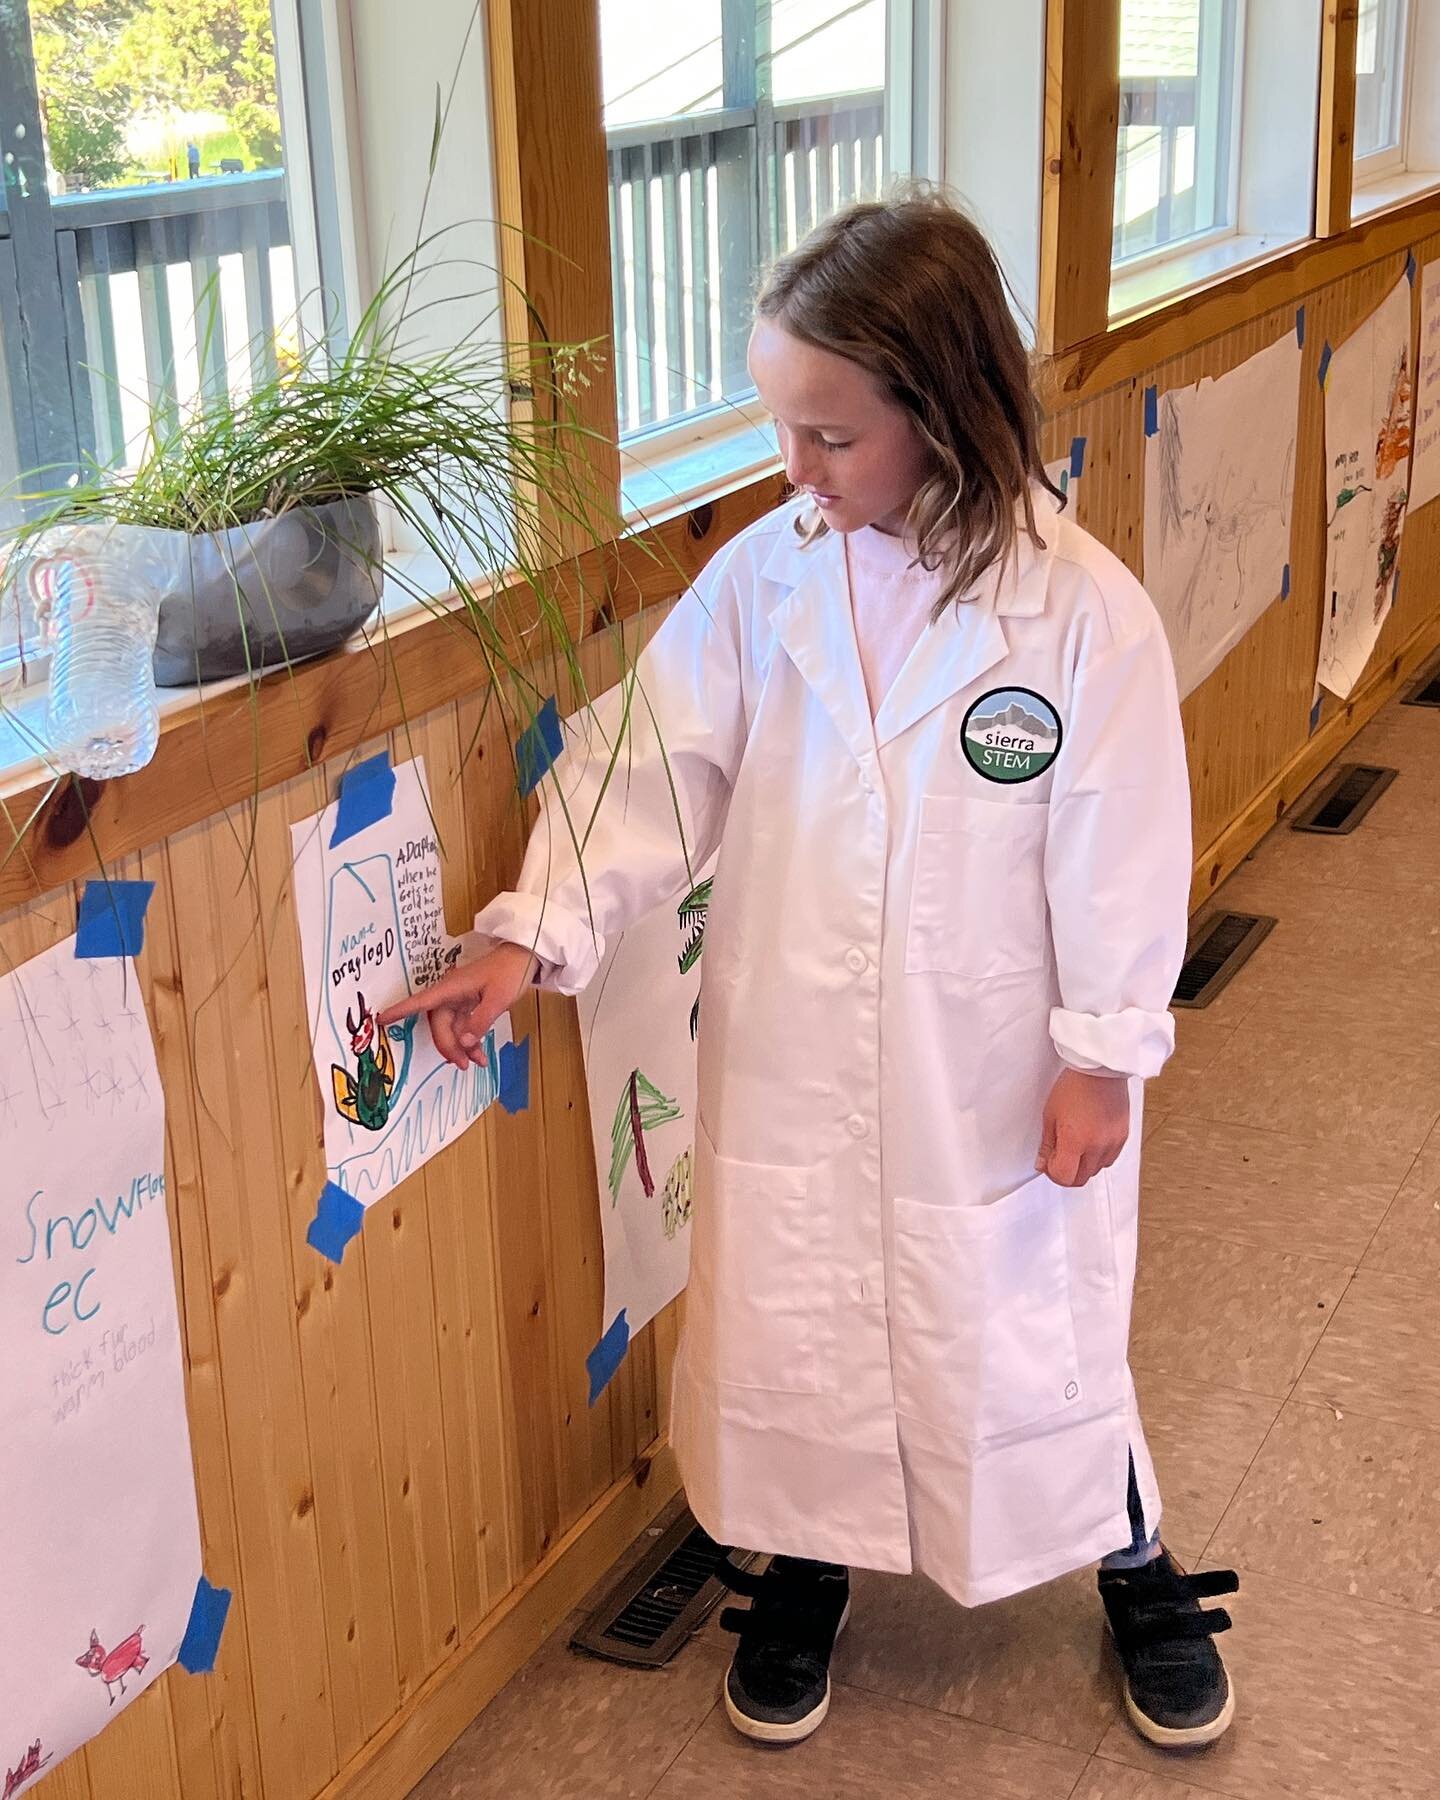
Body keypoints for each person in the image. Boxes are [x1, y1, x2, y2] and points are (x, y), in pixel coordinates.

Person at [379, 187, 1238, 1755]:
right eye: (787, 427)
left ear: (948, 413)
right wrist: (531, 928)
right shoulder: (770, 580)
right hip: (790, 1051)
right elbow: (655, 761)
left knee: (1025, 1324)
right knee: (804, 1322)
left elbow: (1126, 845)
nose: (796, 470)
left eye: (832, 437)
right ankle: (808, 1567)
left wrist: (1106, 1049)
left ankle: (1128, 1550)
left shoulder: (1076, 617)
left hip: (990, 1068)